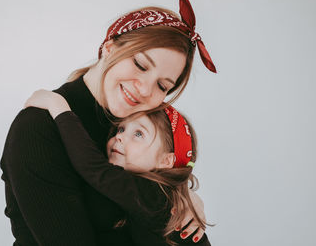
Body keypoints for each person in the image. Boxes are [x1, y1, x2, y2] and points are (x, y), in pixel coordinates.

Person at [0, 0, 216, 245]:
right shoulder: (39, 127)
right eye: (140, 65)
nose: (145, 89)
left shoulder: (137, 124)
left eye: (162, 86)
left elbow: (158, 178)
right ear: (110, 47)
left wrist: (179, 195)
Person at [24, 90, 211, 246]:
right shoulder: (156, 195)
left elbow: (93, 168)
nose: (120, 137)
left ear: (166, 161)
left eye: (138, 133)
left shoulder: (155, 196)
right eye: (121, 129)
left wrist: (58, 107)